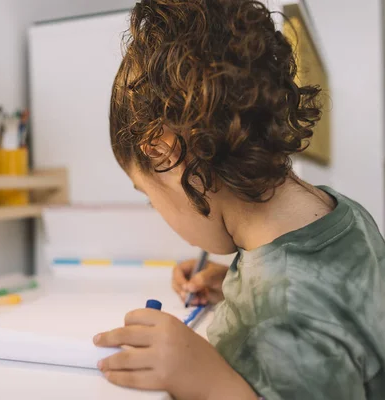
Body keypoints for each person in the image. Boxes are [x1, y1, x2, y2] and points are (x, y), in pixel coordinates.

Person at [92, 0, 385, 399]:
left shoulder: (280, 314)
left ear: (164, 151)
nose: (156, 210)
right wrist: (237, 284)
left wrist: (207, 381)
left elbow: (294, 312)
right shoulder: (340, 213)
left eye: (148, 196)